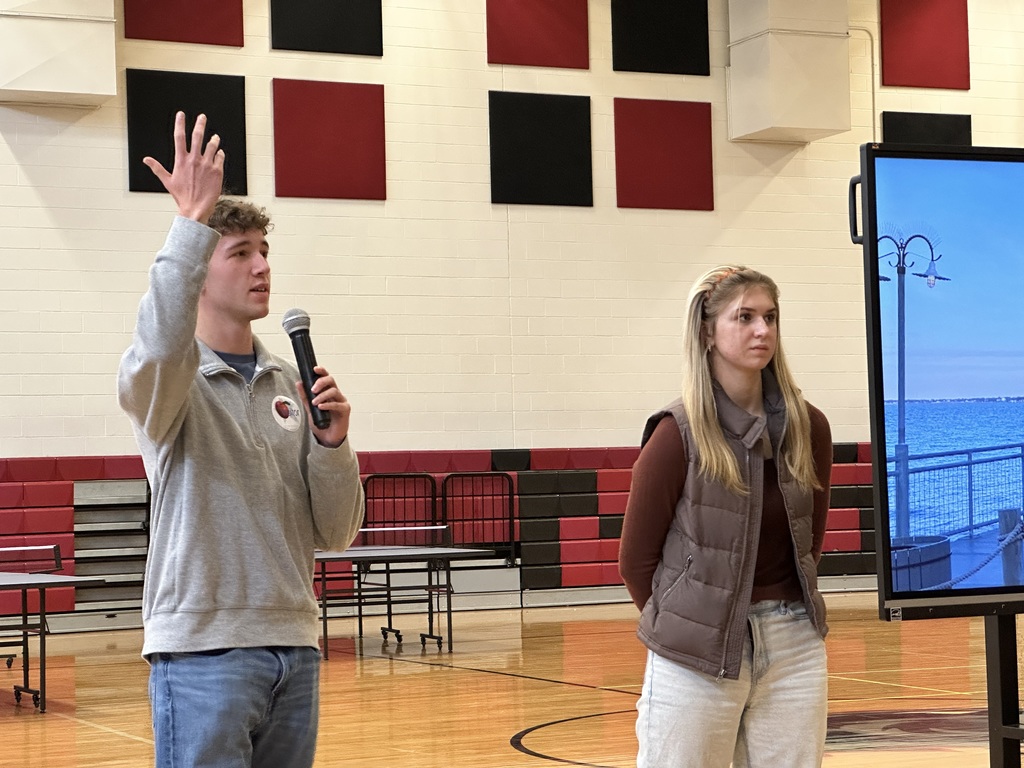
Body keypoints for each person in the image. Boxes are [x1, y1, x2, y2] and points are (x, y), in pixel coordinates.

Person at [117, 111, 364, 768]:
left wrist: (335, 448)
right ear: (202, 270)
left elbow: (335, 533)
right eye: (240, 252)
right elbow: (157, 344)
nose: (261, 266)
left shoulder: (293, 379)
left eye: (265, 251)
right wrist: (190, 227)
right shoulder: (168, 381)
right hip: (203, 654)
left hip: (295, 643)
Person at [618, 265, 833, 768]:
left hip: (794, 645)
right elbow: (635, 561)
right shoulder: (676, 434)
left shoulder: (810, 427)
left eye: (770, 317)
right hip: (694, 654)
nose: (763, 330)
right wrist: (690, 624)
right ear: (707, 332)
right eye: (745, 317)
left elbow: (810, 542)